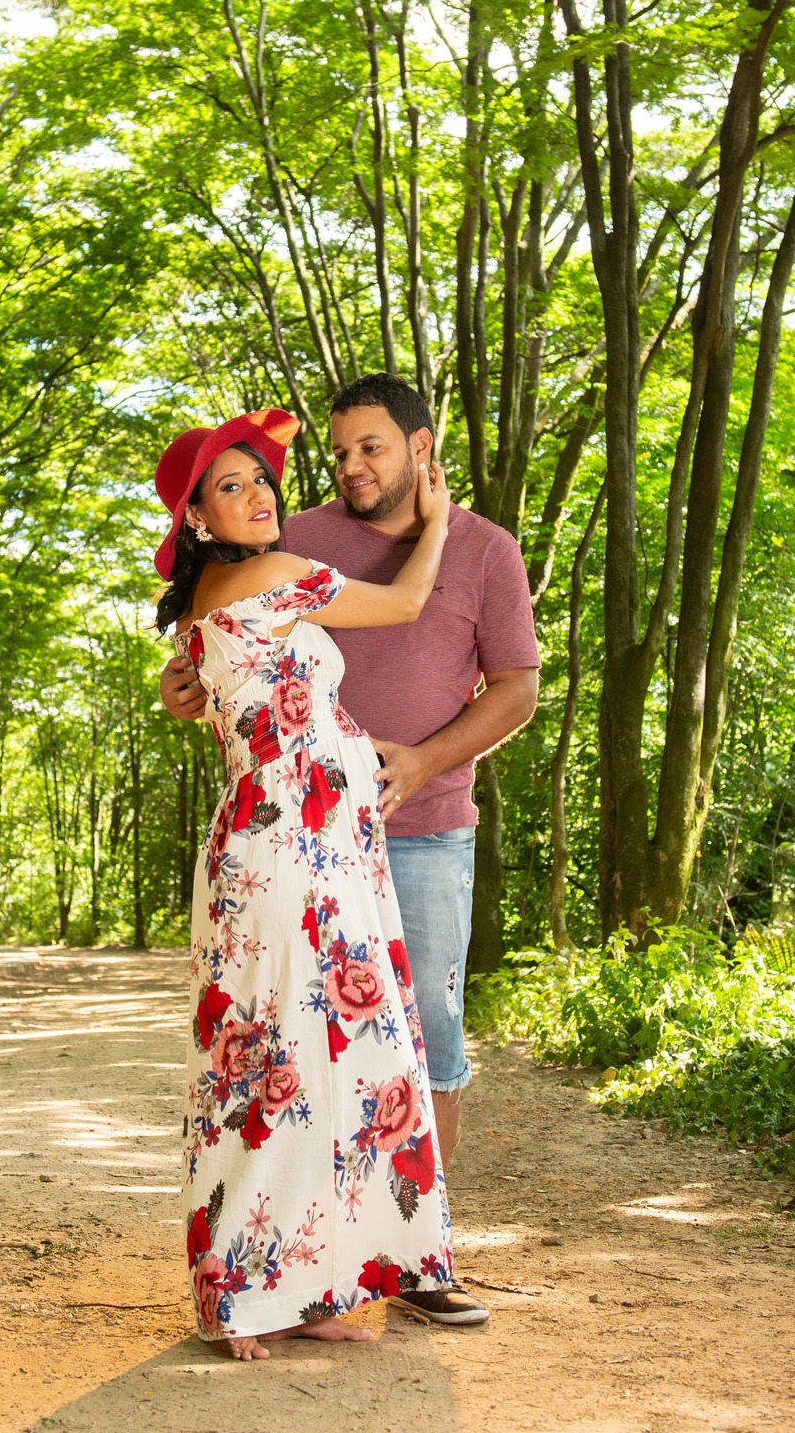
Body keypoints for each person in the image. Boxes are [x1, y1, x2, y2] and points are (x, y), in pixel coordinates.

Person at [154, 405, 488, 1360]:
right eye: (231, 486)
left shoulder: (211, 597)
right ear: (198, 519)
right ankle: (239, 1296)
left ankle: (303, 1283)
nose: (259, 493)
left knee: (306, 1063)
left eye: (261, 478)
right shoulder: (273, 574)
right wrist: (438, 517)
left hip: (305, 842)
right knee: (281, 1063)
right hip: (293, 847)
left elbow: (215, 694)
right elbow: (408, 602)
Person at [162, 374, 540, 1179]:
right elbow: (225, 641)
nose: (351, 466)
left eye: (371, 447)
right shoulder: (289, 537)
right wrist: (180, 684)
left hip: (427, 828)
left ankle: (419, 1240)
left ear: (421, 447)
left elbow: (518, 690)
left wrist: (423, 762)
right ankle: (326, 1234)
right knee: (308, 1043)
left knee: (424, 1034)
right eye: (339, 453)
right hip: (309, 838)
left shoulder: (487, 549)